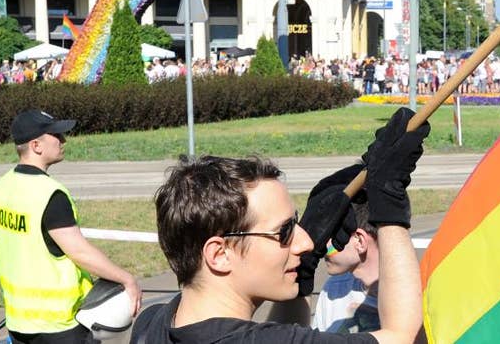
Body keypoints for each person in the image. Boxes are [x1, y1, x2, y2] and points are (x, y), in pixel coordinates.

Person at [131, 108, 429, 344]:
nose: (306, 243)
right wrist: (388, 200)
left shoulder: (155, 322)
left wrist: (301, 273)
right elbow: (404, 337)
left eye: (298, 225)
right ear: (219, 254)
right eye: (284, 232)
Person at [0, 110, 142, 344]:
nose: (64, 141)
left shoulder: (2, 187)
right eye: (56, 136)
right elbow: (79, 252)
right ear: (36, 145)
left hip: (18, 322)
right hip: (59, 326)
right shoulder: (49, 194)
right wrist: (127, 280)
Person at [314, 202, 380, 333]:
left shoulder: (412, 297)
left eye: (329, 235)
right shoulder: (333, 288)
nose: (320, 246)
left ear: (360, 241)